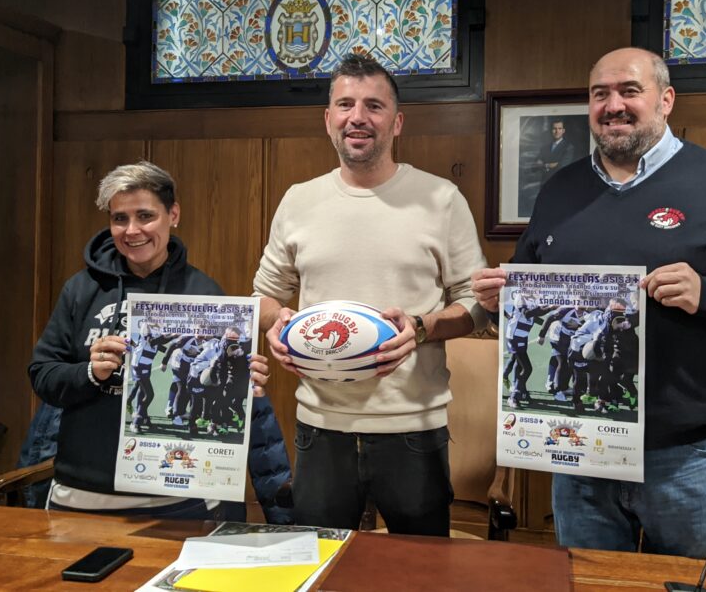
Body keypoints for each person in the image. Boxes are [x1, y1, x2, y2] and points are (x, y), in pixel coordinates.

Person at [471, 48, 706, 560]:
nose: (613, 105)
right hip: (580, 453)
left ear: (665, 100)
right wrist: (503, 296)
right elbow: (527, 288)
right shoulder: (559, 189)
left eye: (628, 91)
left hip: (692, 456)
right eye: (600, 94)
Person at [253, 53, 489, 536]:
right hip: (321, 426)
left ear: (396, 121)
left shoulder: (441, 199)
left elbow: (477, 305)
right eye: (345, 104)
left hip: (412, 429)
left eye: (374, 106)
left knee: (420, 575)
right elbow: (264, 297)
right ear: (328, 119)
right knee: (319, 567)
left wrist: (422, 328)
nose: (357, 117)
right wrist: (276, 326)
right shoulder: (299, 199)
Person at [25, 161, 292, 523]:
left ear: (174, 214)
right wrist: (89, 372)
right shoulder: (81, 289)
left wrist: (245, 381)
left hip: (176, 500)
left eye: (145, 216)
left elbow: (219, 384)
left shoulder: (204, 293)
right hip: (81, 496)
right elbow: (42, 375)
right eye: (120, 218)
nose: (132, 230)